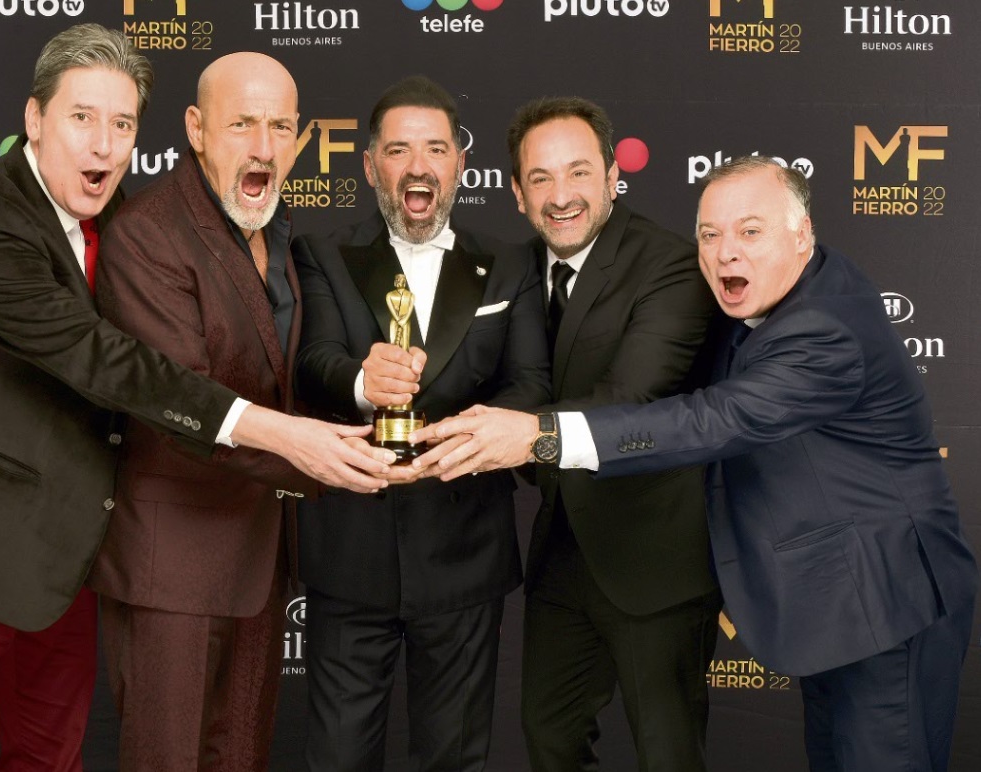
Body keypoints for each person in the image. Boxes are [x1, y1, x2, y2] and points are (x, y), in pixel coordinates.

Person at [0, 25, 391, 772]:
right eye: (82, 118)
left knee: (50, 758)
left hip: (61, 557)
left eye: (121, 124)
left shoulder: (116, 220)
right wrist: (278, 433)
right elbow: (102, 361)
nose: (104, 147)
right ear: (35, 120)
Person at [412, 156, 979, 772]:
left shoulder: (824, 329)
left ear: (802, 234)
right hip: (836, 599)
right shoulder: (785, 290)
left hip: (886, 596)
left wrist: (539, 436)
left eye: (750, 231)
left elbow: (712, 420)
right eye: (710, 235)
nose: (725, 253)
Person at [291, 75, 551, 771]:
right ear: (372, 165)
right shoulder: (321, 252)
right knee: (337, 757)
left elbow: (530, 382)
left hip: (466, 554)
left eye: (435, 148)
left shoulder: (509, 264)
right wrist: (360, 381)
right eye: (399, 150)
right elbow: (311, 359)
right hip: (351, 553)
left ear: (459, 163)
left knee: (454, 759)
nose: (418, 165)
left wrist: (469, 435)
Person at [86, 52, 315, 771]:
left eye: (280, 126)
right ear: (196, 128)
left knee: (239, 758)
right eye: (242, 123)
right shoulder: (148, 232)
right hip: (172, 566)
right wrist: (325, 458)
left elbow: (279, 375)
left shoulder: (278, 233)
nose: (265, 146)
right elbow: (181, 401)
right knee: (167, 760)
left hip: (258, 552)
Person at [504, 96, 720, 771]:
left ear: (611, 178)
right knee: (549, 736)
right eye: (540, 179)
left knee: (668, 753)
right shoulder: (513, 271)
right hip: (563, 556)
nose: (560, 195)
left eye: (578, 173)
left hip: (653, 561)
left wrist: (517, 435)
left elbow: (632, 398)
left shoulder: (671, 266)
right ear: (516, 193)